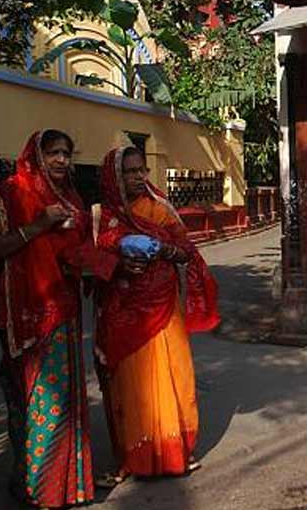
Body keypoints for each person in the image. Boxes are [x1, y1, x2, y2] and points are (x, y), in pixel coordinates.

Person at [0, 130, 104, 507]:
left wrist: (98, 266)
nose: (62, 160)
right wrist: (38, 225)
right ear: (37, 156)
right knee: (33, 399)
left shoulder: (72, 198)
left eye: (66, 152)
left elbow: (78, 250)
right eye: (54, 153)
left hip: (64, 311)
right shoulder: (7, 195)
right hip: (25, 314)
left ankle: (66, 485)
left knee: (63, 400)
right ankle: (34, 484)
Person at [93, 146, 220, 485]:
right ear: (113, 177)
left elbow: (186, 253)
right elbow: (89, 261)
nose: (137, 177)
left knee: (172, 376)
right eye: (129, 172)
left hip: (163, 307)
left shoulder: (160, 208)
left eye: (141, 171)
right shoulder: (100, 217)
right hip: (122, 310)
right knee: (130, 384)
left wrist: (161, 249)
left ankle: (175, 453)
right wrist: (120, 262)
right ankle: (133, 458)